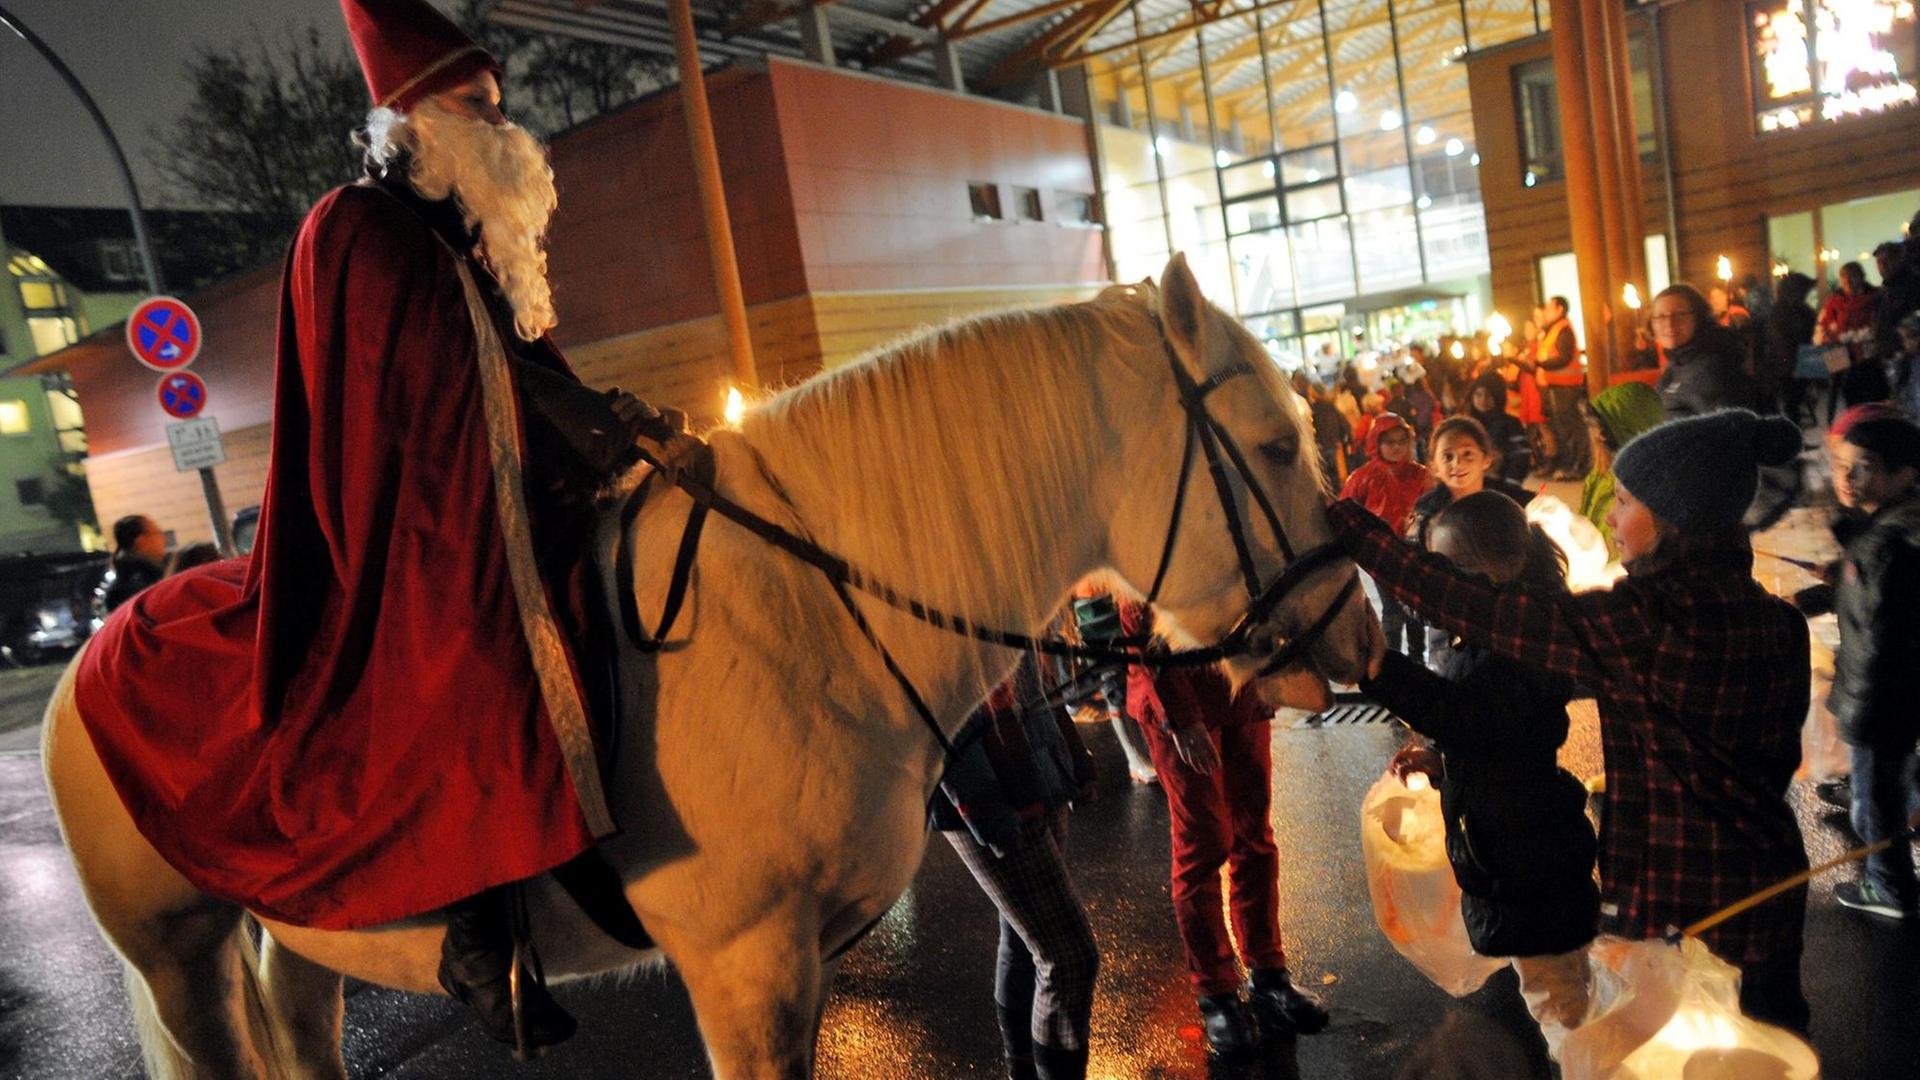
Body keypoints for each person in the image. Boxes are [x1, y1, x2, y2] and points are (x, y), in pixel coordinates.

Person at [69, 0, 703, 1054]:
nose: (504, 127)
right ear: (417, 117)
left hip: (476, 499)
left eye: (500, 106)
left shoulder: (455, 231)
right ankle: (481, 935)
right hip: (403, 523)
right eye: (478, 107)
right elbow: (433, 387)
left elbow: (517, 369)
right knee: (466, 645)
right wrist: (583, 437)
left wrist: (613, 425)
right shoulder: (356, 227)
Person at [1330, 409, 1814, 1032]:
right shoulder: (1781, 623)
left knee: (1674, 1055)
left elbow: (1479, 608)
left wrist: (1348, 525)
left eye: (1626, 501)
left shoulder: (1644, 623)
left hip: (1681, 902)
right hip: (1771, 884)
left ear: (1674, 521)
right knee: (1775, 1039)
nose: (1610, 516)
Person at [1362, 492, 1598, 1058]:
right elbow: (1493, 738)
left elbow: (1467, 715)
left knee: (1563, 1006)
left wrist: (1379, 669)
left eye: (1453, 570)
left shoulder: (1525, 643)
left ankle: (1587, 1064)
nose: (1442, 587)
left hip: (1531, 861)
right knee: (1549, 989)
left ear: (1506, 567)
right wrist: (1443, 764)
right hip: (1511, 853)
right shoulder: (1483, 638)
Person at [1119, 601, 1329, 1057]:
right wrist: (1181, 716)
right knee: (1203, 844)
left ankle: (1268, 973)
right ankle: (1216, 992)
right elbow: (1140, 610)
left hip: (1242, 686)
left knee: (1254, 835)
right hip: (1181, 693)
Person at [933, 653, 1100, 1079]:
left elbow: (1034, 679)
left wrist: (1068, 757)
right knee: (1069, 957)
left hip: (1035, 766)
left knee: (1025, 939)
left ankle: (1022, 1069)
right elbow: (943, 701)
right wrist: (989, 810)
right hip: (993, 785)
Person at [1823, 416, 1920, 921]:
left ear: (1904, 475)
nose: (1846, 478)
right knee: (1889, 784)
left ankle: (1889, 887)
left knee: (1872, 805)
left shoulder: (1885, 544)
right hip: (1901, 695)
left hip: (1882, 701)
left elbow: (1874, 643)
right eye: (1840, 465)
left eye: (1862, 468)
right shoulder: (1896, 530)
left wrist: (1856, 711)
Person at [1407, 417, 1533, 669]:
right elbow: (1414, 581)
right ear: (1434, 465)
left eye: (1467, 454)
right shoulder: (1425, 515)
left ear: (1486, 458)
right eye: (1448, 456)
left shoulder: (1514, 506)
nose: (1457, 463)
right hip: (1448, 634)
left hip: (1510, 624)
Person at [1340, 414, 1430, 658]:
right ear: (1376, 443)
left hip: (1413, 552)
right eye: (1390, 442)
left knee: (1414, 608)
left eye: (1402, 441)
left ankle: (1416, 658)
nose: (1396, 447)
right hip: (1382, 554)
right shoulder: (1364, 476)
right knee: (1392, 610)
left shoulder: (1420, 474)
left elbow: (1433, 505)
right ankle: (1393, 658)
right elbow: (1345, 508)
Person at [1575, 382, 1666, 558]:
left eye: (1601, 430)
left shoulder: (1641, 487)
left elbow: (1621, 550)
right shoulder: (1600, 475)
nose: (1596, 437)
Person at [1651, 283, 1757, 418]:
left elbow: (1730, 425)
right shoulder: (1678, 362)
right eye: (1661, 316)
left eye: (1680, 314)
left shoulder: (1714, 370)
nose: (1669, 323)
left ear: (1699, 317)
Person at [1533, 297, 1588, 480]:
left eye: (1549, 307)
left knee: (1571, 427)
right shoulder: (1553, 330)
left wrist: (1541, 363)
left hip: (1566, 385)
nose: (1546, 311)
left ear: (1560, 309)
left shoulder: (1563, 329)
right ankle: (1569, 466)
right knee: (1562, 427)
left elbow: (1564, 357)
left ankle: (1578, 466)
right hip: (1556, 385)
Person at [1763, 272, 1817, 420]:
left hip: (1802, 360)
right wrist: (1792, 366)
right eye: (1804, 290)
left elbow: (1813, 336)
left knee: (1796, 401)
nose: (1806, 294)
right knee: (1791, 404)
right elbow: (1780, 342)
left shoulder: (1804, 310)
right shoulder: (1779, 312)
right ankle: (1792, 430)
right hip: (1787, 365)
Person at [1467, 371, 1531, 482]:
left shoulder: (1511, 424)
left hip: (1500, 482)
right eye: (1478, 394)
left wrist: (1511, 483)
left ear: (1498, 397)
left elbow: (1521, 457)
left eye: (1488, 395)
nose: (1483, 399)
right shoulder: (1465, 424)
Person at [100, 514, 167, 613]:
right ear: (141, 541)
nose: (164, 538)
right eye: (157, 533)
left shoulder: (123, 583)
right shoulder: (141, 586)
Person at [1873, 240, 1920, 367]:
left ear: (1900, 259)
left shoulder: (1912, 285)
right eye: (1879, 262)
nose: (1883, 266)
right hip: (1892, 356)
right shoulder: (1885, 291)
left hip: (1909, 355)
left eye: (1887, 260)